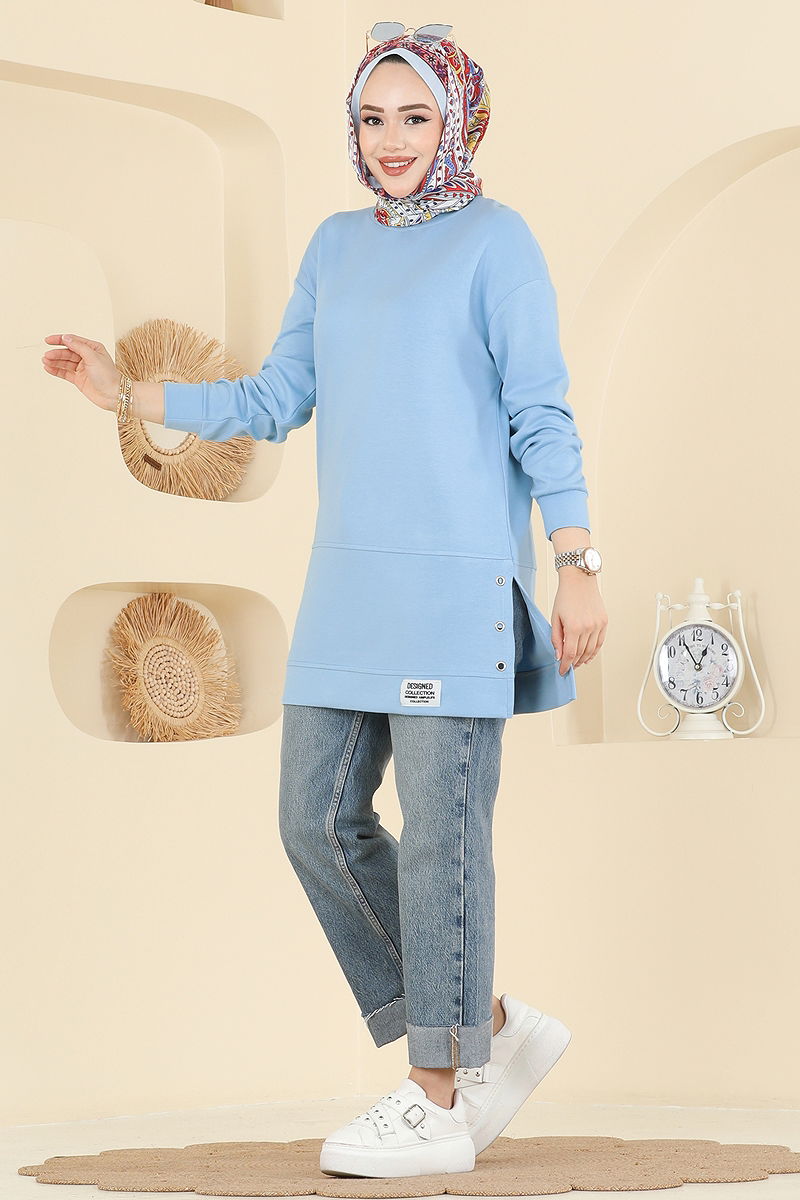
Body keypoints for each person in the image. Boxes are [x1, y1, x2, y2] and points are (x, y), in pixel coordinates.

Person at [41, 22, 607, 1181]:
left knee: (443, 842)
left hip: (452, 596)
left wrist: (575, 556)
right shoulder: (334, 247)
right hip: (348, 593)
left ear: (457, 121)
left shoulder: (497, 243)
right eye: (371, 118)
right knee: (314, 823)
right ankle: (485, 1027)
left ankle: (436, 1095)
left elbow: (538, 411)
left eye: (414, 117)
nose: (390, 140)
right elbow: (273, 396)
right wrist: (127, 393)